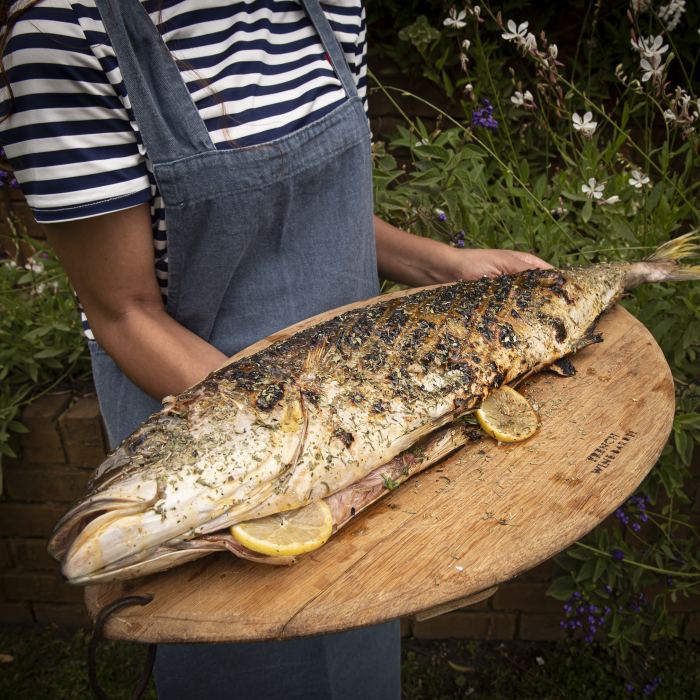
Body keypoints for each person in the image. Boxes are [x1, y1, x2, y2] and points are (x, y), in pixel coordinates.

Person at [0, 1, 551, 698]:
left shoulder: (329, 4)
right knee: (248, 666)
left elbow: (318, 207)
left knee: (359, 642)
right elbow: (124, 310)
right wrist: (302, 441)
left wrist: (441, 265)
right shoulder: (63, 33)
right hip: (210, 428)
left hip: (364, 412)